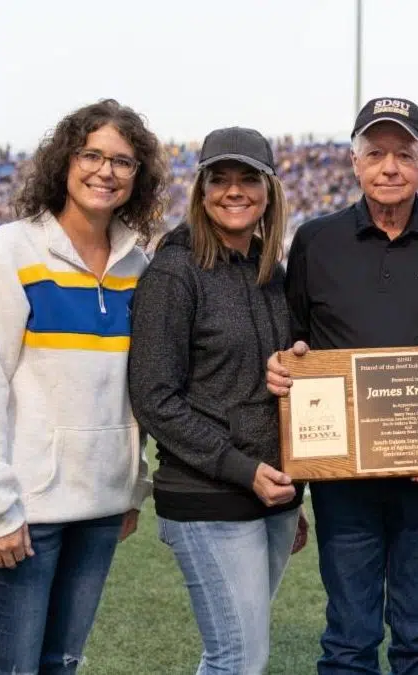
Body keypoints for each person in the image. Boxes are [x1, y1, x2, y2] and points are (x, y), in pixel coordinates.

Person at [0, 98, 166, 674]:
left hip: (100, 507)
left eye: (123, 161)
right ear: (65, 160)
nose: (105, 171)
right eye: (92, 154)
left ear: (139, 177)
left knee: (61, 663)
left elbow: (131, 389)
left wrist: (130, 487)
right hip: (21, 509)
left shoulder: (139, 265)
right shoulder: (10, 251)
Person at [266, 98, 418, 674]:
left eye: (403, 154)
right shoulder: (316, 239)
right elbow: (296, 340)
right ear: (354, 161)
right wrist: (285, 365)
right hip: (344, 478)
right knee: (349, 633)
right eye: (375, 153)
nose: (389, 167)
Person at [128, 127, 308, 675]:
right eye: (219, 179)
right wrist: (242, 467)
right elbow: (153, 396)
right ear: (201, 190)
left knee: (239, 653)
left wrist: (297, 362)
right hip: (208, 494)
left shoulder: (270, 272)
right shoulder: (174, 272)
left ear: (269, 190)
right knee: (236, 659)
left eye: (248, 179)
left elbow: (273, 381)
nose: (234, 191)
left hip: (274, 497)